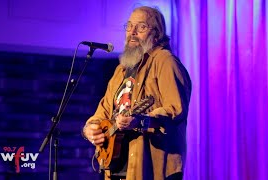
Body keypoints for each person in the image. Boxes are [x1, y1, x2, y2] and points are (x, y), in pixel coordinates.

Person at [82, 6, 192, 180]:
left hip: (151, 169)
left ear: (156, 34)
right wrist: (90, 129)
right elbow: (102, 112)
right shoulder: (120, 70)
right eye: (129, 26)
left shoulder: (165, 61)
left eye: (141, 27)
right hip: (116, 169)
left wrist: (141, 121)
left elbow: (175, 109)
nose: (132, 32)